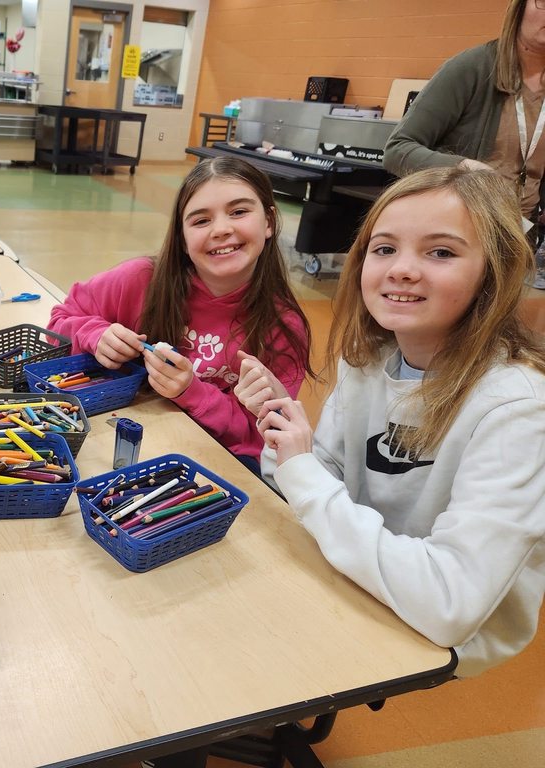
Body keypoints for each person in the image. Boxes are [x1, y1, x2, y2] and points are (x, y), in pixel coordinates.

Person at [242, 167, 545, 678]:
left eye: (441, 252)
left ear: (493, 273)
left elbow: (450, 606)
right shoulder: (368, 361)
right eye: (384, 249)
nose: (402, 269)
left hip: (433, 630)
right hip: (365, 574)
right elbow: (322, 481)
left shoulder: (517, 408)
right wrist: (284, 434)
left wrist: (302, 473)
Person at [48, 157, 313, 469]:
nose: (222, 230)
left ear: (268, 222)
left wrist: (192, 392)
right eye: (201, 221)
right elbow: (59, 321)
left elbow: (260, 442)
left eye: (239, 212)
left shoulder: (283, 327)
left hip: (210, 470)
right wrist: (95, 335)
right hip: (114, 448)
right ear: (183, 240)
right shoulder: (139, 280)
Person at [383, 0, 545, 286]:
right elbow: (398, 149)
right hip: (454, 233)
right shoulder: (473, 68)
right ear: (519, 7)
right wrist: (465, 168)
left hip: (516, 237)